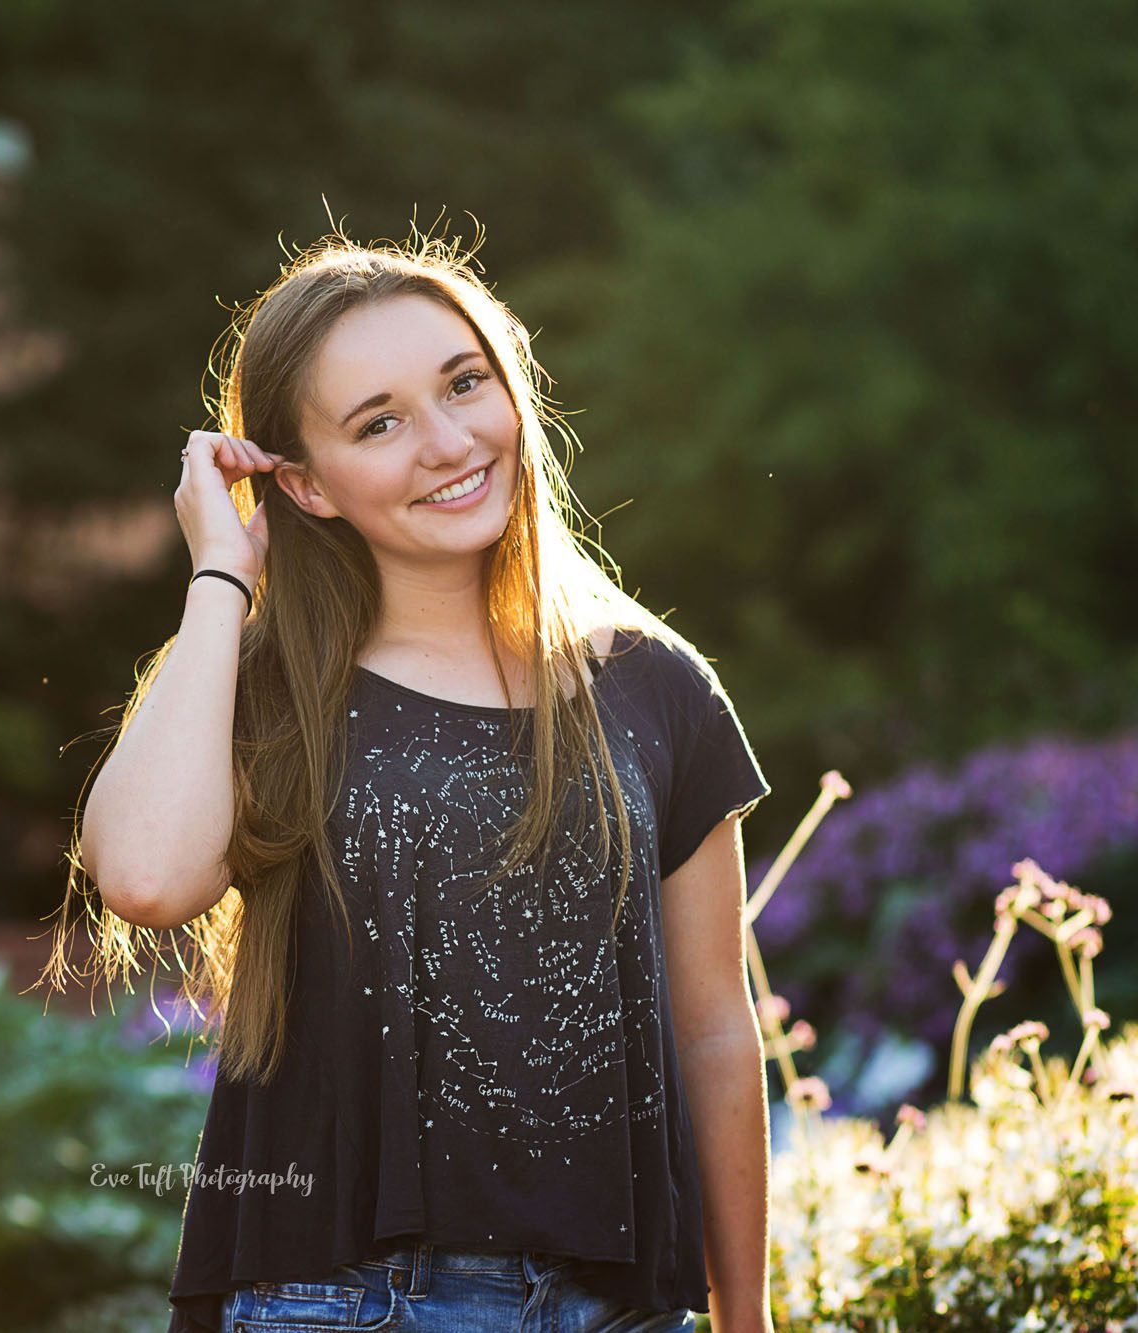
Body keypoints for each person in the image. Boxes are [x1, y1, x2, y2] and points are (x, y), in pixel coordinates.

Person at [43, 233, 776, 1333]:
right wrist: (218, 573)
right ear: (304, 484)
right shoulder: (266, 687)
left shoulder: (651, 683)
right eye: (376, 423)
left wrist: (745, 1317)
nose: (446, 442)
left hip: (620, 1309)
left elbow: (714, 1027)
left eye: (463, 384)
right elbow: (143, 876)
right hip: (342, 1301)